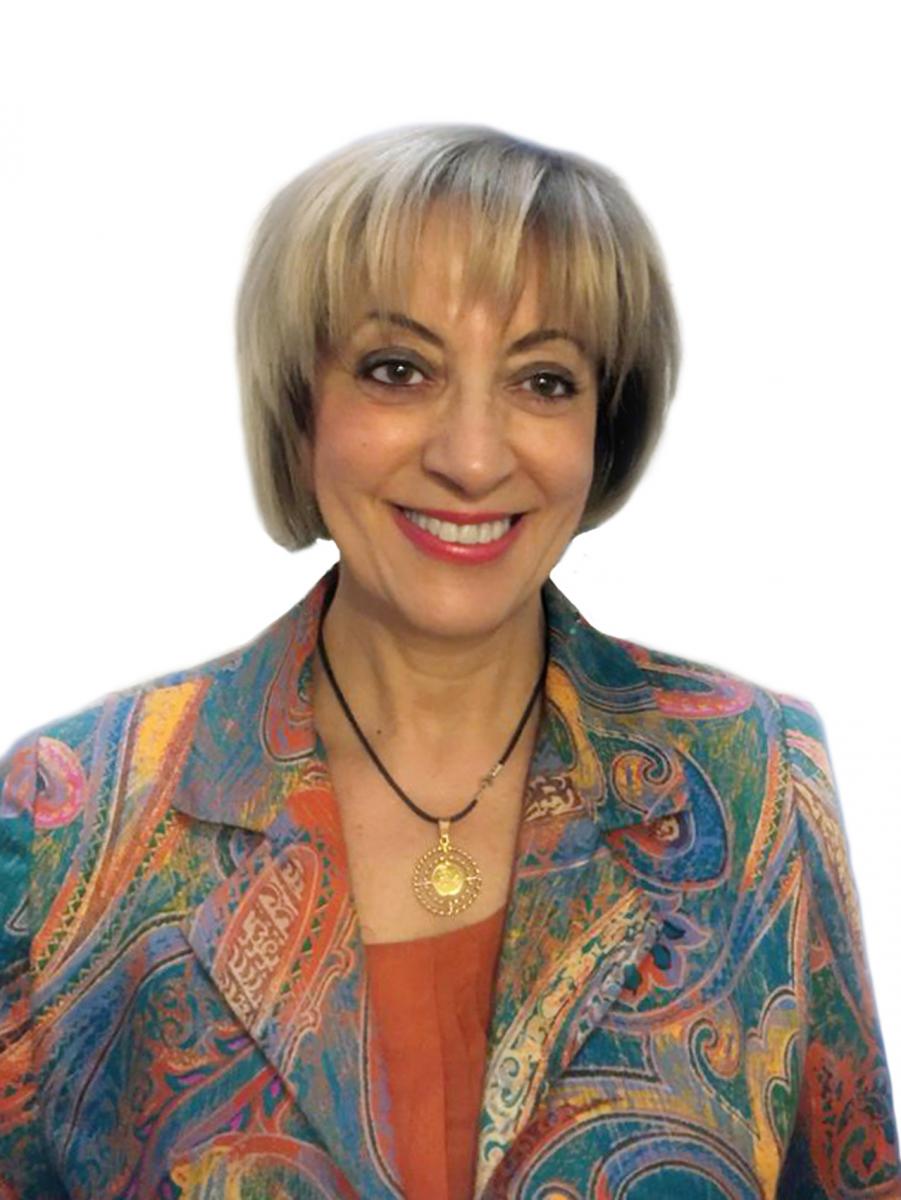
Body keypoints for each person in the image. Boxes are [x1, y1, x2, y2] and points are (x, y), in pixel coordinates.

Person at [0, 123, 897, 1200]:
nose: (472, 458)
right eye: (399, 370)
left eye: (544, 381)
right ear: (300, 409)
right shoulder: (72, 819)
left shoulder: (754, 780)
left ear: (603, 429)